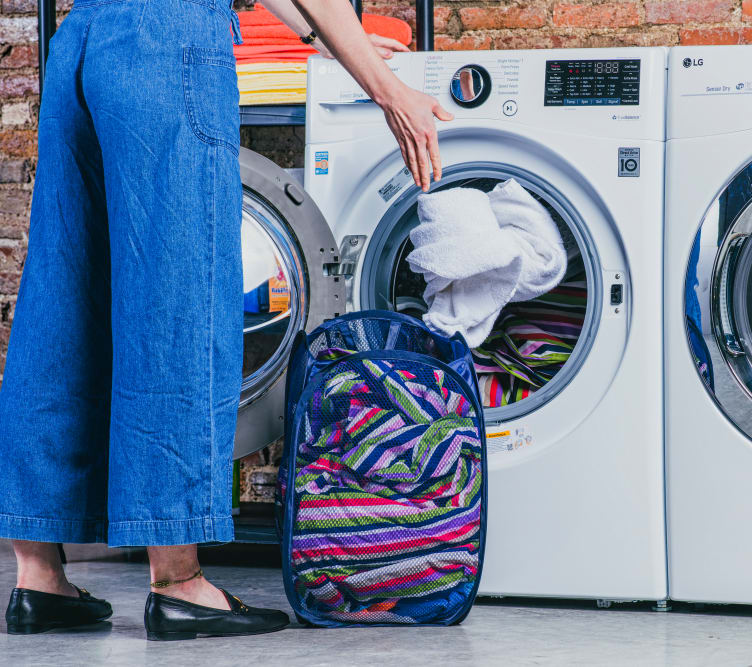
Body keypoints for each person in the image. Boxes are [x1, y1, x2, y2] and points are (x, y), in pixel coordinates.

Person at [0, 0, 451, 641]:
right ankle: (180, 584)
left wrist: (312, 37)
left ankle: (39, 582)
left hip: (81, 37)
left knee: (64, 302)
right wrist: (388, 89)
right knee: (176, 302)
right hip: (168, 41)